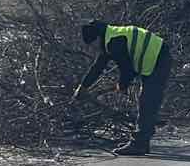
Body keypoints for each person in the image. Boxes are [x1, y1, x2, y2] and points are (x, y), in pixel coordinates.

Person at [74, 21, 173, 156]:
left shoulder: (114, 42)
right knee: (147, 101)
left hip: (159, 58)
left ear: (97, 38)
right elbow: (97, 67)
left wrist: (122, 85)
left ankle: (139, 144)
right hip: (156, 57)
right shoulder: (110, 38)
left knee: (147, 102)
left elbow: (127, 68)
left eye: (93, 45)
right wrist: (83, 87)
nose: (94, 48)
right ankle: (142, 142)